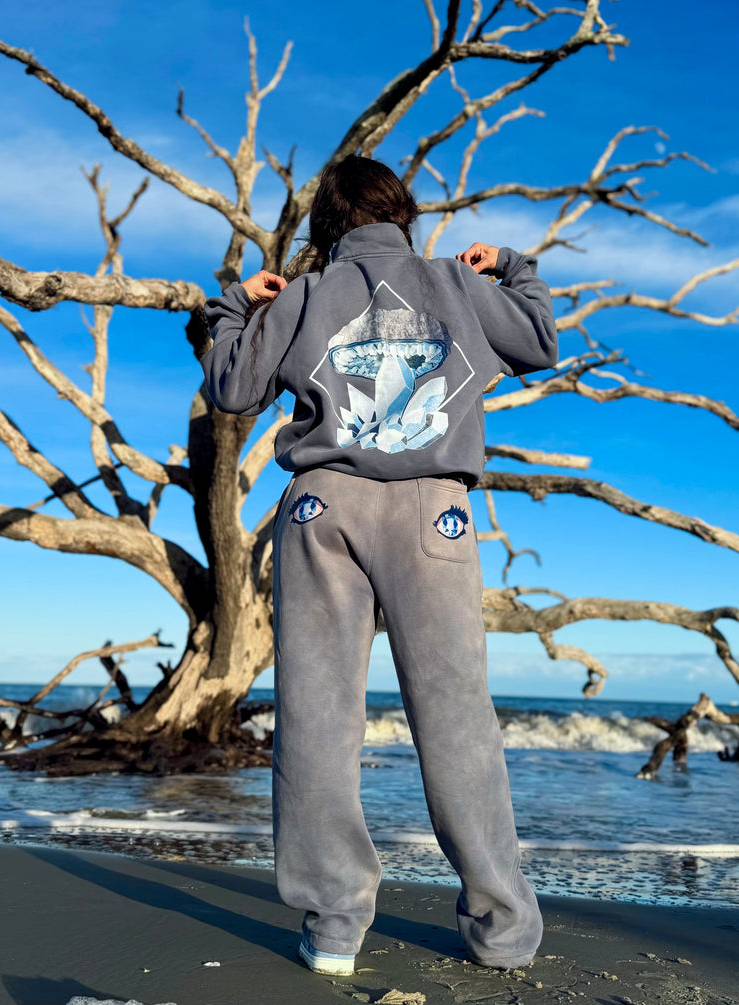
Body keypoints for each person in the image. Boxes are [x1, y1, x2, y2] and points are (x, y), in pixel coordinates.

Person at [201, 154, 558, 976]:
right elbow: (540, 337)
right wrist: (508, 264)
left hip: (325, 506)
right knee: (458, 718)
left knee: (319, 717)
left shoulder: (299, 296)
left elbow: (230, 384)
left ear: (328, 230)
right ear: (403, 217)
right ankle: (502, 931)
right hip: (435, 510)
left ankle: (333, 930)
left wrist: (235, 305)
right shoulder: (458, 285)